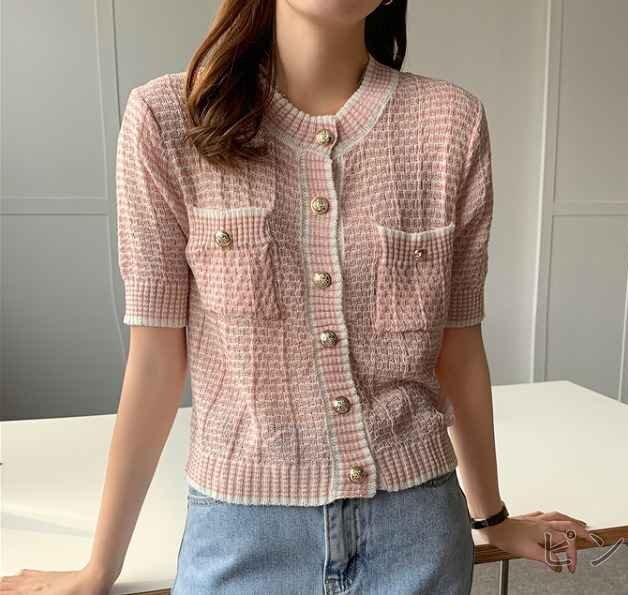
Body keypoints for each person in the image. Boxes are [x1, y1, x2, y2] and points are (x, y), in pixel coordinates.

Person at [0, 0, 591, 593]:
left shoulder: (449, 121)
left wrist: (492, 516)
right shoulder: (169, 120)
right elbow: (155, 361)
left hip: (417, 532)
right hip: (241, 535)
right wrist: (99, 568)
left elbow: (458, 349)